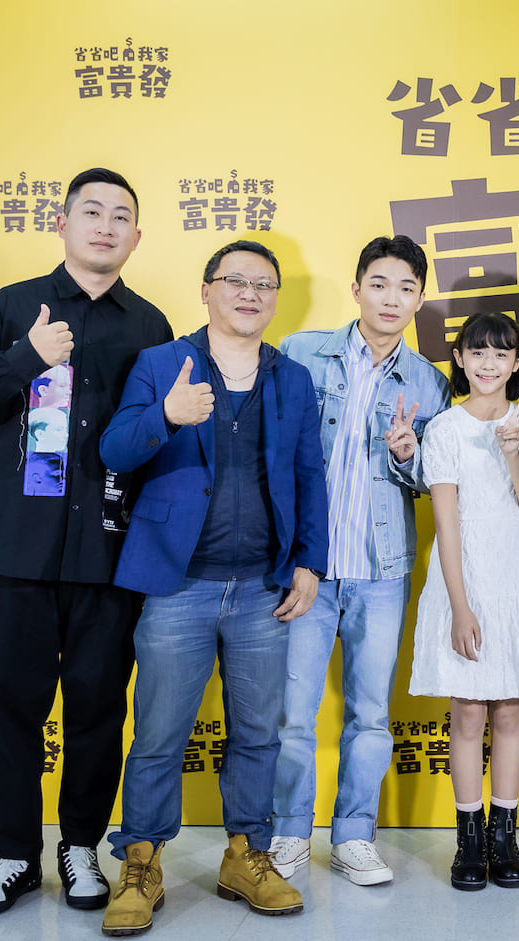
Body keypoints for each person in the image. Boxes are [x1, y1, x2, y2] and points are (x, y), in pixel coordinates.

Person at [0, 168, 172, 917]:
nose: (106, 225)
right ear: (62, 224)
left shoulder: (151, 326)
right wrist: (26, 357)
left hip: (109, 553)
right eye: (91, 211)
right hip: (18, 551)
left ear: (137, 236)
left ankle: (80, 847)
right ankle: (13, 855)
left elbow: (157, 437)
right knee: (12, 708)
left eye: (121, 216)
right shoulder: (14, 307)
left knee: (98, 709)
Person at [97, 241, 328, 935]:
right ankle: (141, 863)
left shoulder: (292, 378)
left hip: (263, 587)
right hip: (179, 584)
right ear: (206, 291)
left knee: (257, 733)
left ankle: (246, 856)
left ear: (275, 298)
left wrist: (310, 561)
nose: (250, 293)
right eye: (235, 281)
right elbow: (114, 449)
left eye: (264, 284)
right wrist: (167, 415)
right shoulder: (161, 363)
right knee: (158, 734)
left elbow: (310, 474)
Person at [271, 236, 450, 885]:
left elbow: (436, 482)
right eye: (379, 284)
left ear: (419, 299)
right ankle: (289, 831)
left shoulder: (430, 382)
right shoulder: (300, 354)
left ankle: (353, 836)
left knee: (370, 714)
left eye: (406, 288)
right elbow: (270, 448)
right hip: (307, 569)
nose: (391, 299)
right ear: (356, 289)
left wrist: (408, 454)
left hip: (381, 570)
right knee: (293, 713)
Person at [407, 312, 519, 891]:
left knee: (510, 711)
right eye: (478, 352)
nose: (489, 364)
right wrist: (460, 606)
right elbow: (446, 525)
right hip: (465, 582)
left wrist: (514, 452)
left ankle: (505, 837)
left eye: (501, 354)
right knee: (468, 713)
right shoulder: (444, 429)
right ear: (460, 359)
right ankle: (469, 840)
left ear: (517, 362)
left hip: (517, 581)